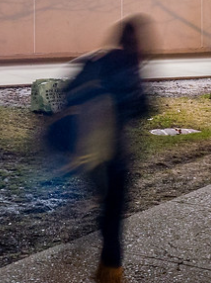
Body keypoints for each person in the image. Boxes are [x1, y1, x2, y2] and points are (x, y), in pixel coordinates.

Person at [60, 16, 151, 283]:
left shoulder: (98, 61)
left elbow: (67, 91)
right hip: (115, 154)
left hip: (87, 151)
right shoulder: (132, 68)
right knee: (114, 210)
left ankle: (108, 257)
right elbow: (142, 107)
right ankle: (110, 269)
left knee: (106, 201)